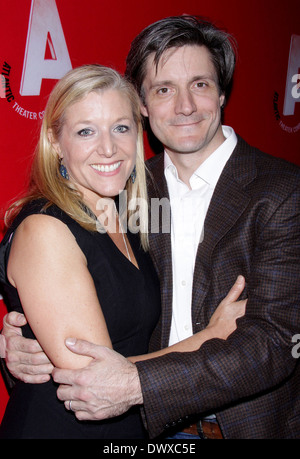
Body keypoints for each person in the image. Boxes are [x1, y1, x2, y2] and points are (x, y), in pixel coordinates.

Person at [2, 15, 300, 439]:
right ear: (143, 105)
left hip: (240, 427)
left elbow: (275, 345)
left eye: (200, 84)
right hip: (146, 431)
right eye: (164, 90)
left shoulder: (283, 193)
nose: (185, 106)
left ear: (221, 94)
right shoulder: (127, 190)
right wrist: (19, 340)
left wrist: (134, 383)